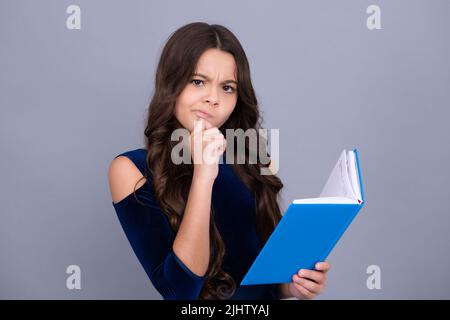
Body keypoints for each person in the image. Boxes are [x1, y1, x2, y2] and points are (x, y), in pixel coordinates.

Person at [108, 22, 331, 300]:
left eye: (227, 87)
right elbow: (180, 291)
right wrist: (204, 174)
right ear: (171, 84)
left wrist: (296, 284)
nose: (213, 99)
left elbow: (268, 280)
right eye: (198, 82)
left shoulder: (248, 159)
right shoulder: (130, 169)